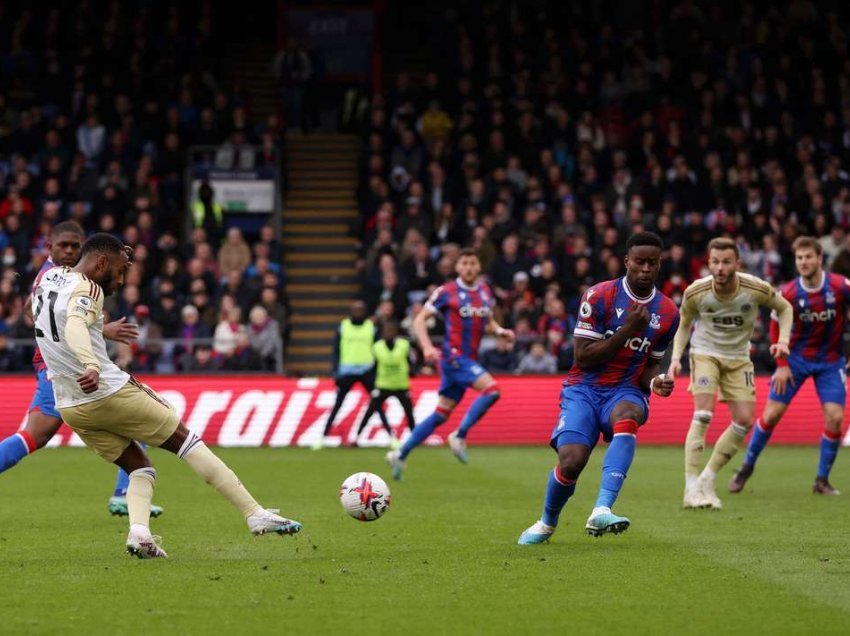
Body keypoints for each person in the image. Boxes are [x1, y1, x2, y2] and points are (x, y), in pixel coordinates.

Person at [33, 233, 301, 558]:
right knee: (186, 440)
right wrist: (90, 363)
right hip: (106, 390)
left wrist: (100, 328)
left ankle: (140, 534)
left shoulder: (48, 279)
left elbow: (57, 319)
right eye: (118, 271)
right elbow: (74, 323)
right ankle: (254, 514)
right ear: (100, 263)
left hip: (72, 405)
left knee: (140, 468)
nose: (119, 280)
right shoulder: (89, 288)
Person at [517, 232, 679, 544]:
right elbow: (584, 356)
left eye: (653, 263)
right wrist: (628, 329)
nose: (646, 268)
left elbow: (650, 366)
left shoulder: (668, 312)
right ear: (627, 261)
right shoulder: (599, 296)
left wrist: (656, 382)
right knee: (571, 461)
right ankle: (546, 523)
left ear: (660, 265)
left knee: (629, 413)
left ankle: (602, 508)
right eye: (640, 262)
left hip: (626, 389)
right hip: (584, 389)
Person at [0, 221, 159, 517]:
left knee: (35, 436)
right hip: (61, 368)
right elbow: (44, 316)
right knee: (134, 416)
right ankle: (125, 495)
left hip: (61, 366)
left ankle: (124, 494)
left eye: (76, 245)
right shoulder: (53, 276)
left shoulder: (62, 277)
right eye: (64, 245)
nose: (70, 251)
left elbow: (29, 308)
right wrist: (101, 330)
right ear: (50, 247)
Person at [667, 237, 794, 510]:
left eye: (726, 262)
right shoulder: (696, 292)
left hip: (738, 359)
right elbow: (684, 323)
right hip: (705, 354)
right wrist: (675, 358)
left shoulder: (754, 288)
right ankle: (690, 488)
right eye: (715, 262)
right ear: (708, 263)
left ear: (737, 263)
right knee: (703, 414)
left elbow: (785, 308)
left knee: (745, 420)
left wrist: (783, 340)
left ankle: (707, 479)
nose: (720, 268)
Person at [729, 237, 850, 495]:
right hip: (795, 360)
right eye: (799, 258)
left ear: (820, 259)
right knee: (771, 414)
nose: (804, 262)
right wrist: (782, 364)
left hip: (830, 361)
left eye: (808, 257)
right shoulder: (790, 293)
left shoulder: (840, 286)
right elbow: (774, 325)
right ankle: (746, 467)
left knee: (836, 418)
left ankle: (821, 480)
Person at [386, 248, 515, 478]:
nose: (468, 267)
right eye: (464, 263)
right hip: (454, 358)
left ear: (478, 266)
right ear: (457, 267)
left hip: (467, 359)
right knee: (492, 390)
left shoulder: (485, 290)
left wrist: (500, 331)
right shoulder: (446, 291)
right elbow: (419, 321)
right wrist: (426, 347)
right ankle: (460, 435)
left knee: (441, 414)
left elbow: (487, 320)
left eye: (472, 263)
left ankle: (400, 454)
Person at [314, 300, 391, 448]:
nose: (358, 313)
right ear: (351, 311)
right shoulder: (343, 327)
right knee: (338, 405)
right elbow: (335, 351)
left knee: (377, 404)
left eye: (361, 310)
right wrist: (335, 372)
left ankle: (391, 437)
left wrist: (375, 371)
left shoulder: (371, 327)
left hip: (367, 371)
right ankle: (322, 438)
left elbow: (378, 350)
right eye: (356, 310)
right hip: (346, 372)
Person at [351, 320, 416, 447]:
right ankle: (356, 438)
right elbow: (373, 367)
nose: (388, 333)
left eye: (391, 331)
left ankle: (414, 438)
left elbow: (411, 363)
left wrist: (414, 371)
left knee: (409, 413)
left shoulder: (404, 345)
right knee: (369, 411)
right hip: (383, 385)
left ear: (396, 333)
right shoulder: (377, 347)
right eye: (386, 331)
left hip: (401, 385)